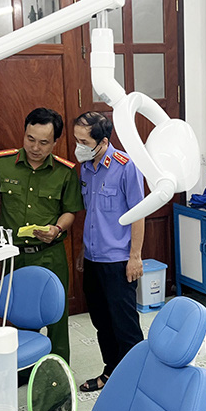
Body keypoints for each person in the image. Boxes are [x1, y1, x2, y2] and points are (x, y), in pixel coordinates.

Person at [0, 107, 83, 363]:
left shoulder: (65, 172)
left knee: (56, 318)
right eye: (30, 139)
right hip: (12, 256)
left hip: (49, 255)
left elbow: (70, 211)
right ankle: (24, 367)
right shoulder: (2, 164)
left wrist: (57, 229)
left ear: (55, 142)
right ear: (24, 134)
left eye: (44, 142)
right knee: (19, 315)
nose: (35, 147)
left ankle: (57, 374)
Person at [72, 112, 146, 392]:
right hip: (93, 259)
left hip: (118, 261)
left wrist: (135, 257)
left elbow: (139, 215)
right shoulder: (86, 168)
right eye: (76, 139)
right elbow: (92, 214)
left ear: (102, 142)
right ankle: (112, 373)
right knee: (102, 322)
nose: (77, 146)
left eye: (83, 141)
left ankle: (136, 382)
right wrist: (82, 250)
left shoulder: (125, 166)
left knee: (125, 326)